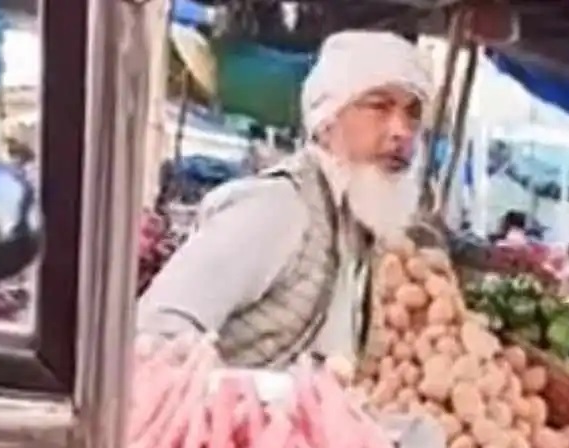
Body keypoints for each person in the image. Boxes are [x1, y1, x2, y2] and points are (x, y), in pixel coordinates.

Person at [137, 30, 432, 367]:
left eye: (412, 113)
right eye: (379, 106)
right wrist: (244, 398)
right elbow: (155, 332)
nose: (401, 130)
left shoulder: (357, 225)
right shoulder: (278, 207)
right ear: (327, 120)